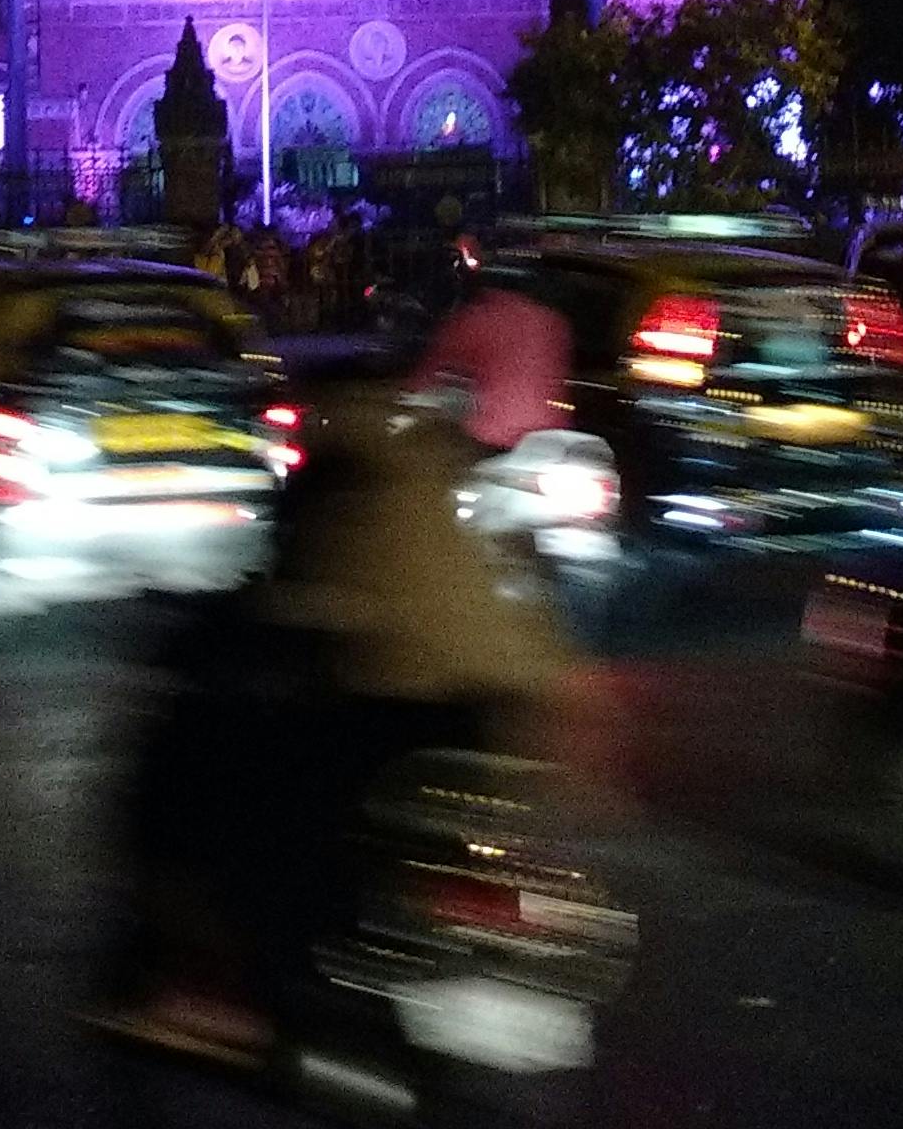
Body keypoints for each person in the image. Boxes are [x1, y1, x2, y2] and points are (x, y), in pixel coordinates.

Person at [98, 281, 578, 1054]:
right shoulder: (444, 460)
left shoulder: (342, 464)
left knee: (228, 794)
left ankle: (219, 989)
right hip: (494, 695)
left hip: (391, 697)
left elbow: (283, 595)